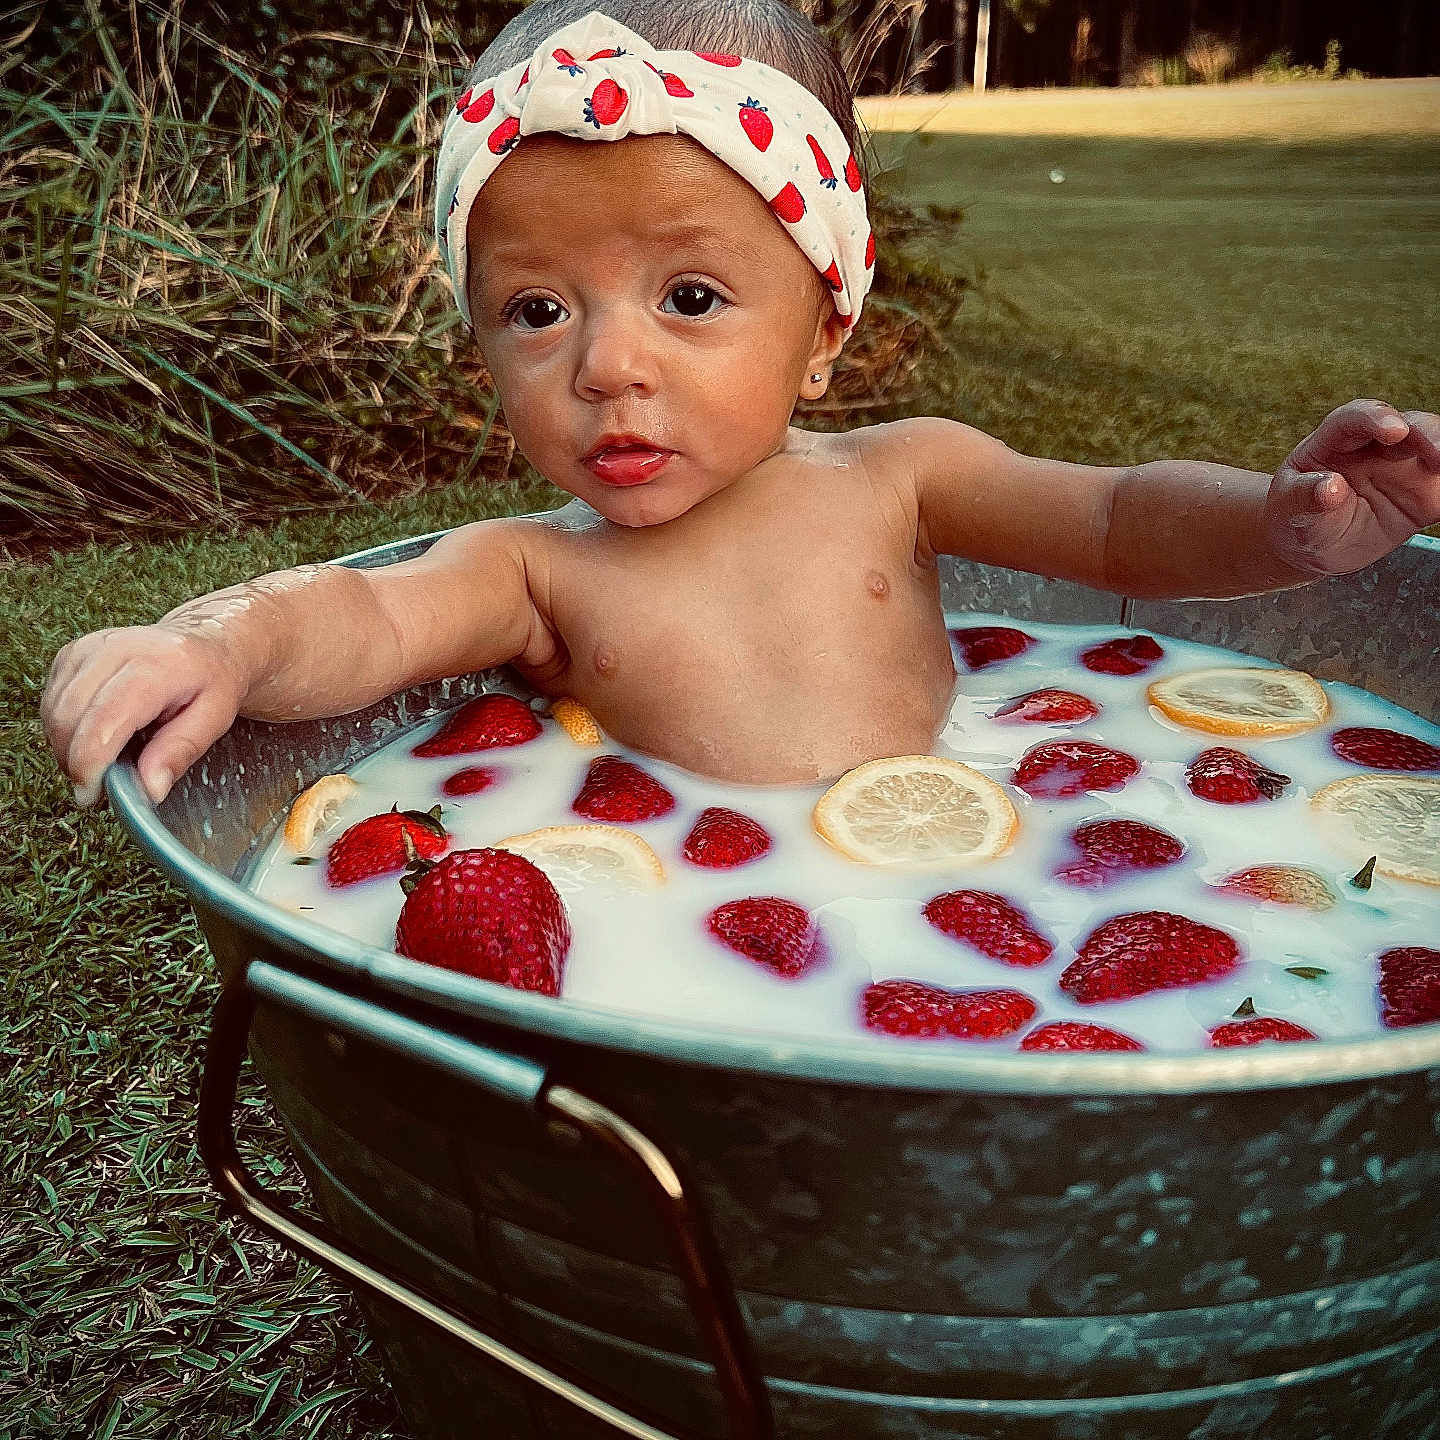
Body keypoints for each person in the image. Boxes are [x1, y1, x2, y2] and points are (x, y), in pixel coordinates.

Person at [41, 0, 1440, 808]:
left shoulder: (903, 480)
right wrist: (218, 641)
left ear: (825, 326)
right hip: (685, 911)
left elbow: (1125, 522)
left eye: (691, 299)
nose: (609, 365)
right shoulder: (536, 572)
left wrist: (1284, 529)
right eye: (539, 310)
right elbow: (364, 615)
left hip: (986, 824)